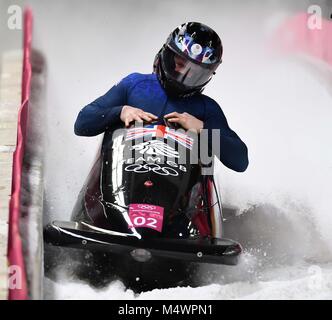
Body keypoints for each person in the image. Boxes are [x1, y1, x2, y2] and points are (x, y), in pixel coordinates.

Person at [74, 22, 248, 172]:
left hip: (178, 198)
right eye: (180, 64)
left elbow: (240, 162)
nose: (183, 74)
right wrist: (120, 111)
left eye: (194, 72)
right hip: (126, 177)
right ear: (167, 55)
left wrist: (203, 128)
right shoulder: (134, 85)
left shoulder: (207, 108)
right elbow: (81, 124)